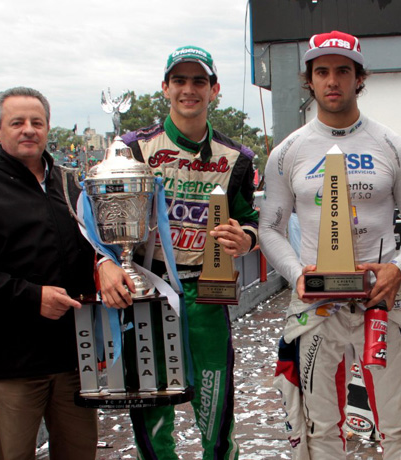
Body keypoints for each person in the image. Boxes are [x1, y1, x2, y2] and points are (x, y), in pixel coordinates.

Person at [259, 30, 401, 459]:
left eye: (344, 70)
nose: (332, 80)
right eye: (322, 71)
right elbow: (270, 226)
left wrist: (398, 268)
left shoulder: (394, 147)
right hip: (316, 304)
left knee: (399, 420)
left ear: (361, 77)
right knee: (318, 424)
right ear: (309, 79)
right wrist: (295, 274)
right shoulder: (287, 152)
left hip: (382, 296)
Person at [98, 46, 258, 459]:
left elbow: (250, 218)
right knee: (150, 401)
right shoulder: (133, 149)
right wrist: (103, 262)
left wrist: (247, 239)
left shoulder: (237, 159)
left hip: (208, 292)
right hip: (148, 290)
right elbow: (98, 224)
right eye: (180, 81)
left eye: (199, 81)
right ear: (165, 88)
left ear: (214, 89)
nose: (189, 90)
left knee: (215, 399)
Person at [0, 87, 98, 458]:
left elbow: (96, 248)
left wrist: (109, 265)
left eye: (37, 122)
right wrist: (33, 297)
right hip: (11, 364)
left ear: (48, 128)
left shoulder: (71, 188)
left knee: (80, 452)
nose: (28, 130)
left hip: (73, 359)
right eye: (17, 122)